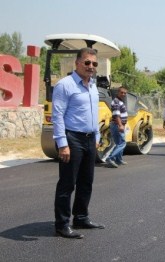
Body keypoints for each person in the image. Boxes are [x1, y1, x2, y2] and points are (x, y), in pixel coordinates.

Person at [52, 47, 105, 239]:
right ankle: (62, 224)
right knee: (67, 184)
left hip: (90, 139)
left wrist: (97, 136)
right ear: (77, 63)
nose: (91, 67)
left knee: (86, 182)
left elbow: (94, 113)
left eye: (94, 64)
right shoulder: (64, 85)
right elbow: (57, 116)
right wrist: (62, 143)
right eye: (87, 62)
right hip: (71, 138)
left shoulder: (92, 86)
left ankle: (81, 217)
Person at [106, 86, 128, 168]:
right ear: (118, 92)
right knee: (122, 143)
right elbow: (116, 115)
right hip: (117, 125)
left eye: (125, 93)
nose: (123, 94)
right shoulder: (116, 102)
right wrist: (120, 125)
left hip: (118, 125)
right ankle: (110, 158)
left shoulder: (120, 101)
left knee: (119, 143)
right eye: (121, 92)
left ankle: (118, 159)